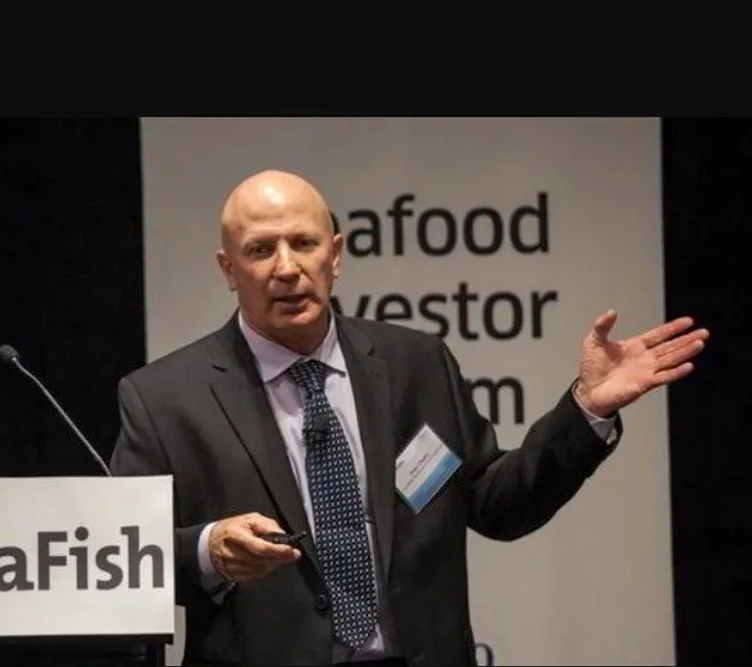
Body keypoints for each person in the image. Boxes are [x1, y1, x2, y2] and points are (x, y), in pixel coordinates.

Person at [109, 169, 709, 666]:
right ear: (227, 269)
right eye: (260, 250)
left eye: (304, 244)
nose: (286, 268)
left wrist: (587, 407)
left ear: (336, 254)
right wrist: (209, 550)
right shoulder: (165, 398)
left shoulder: (416, 363)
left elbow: (498, 504)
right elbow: (123, 560)